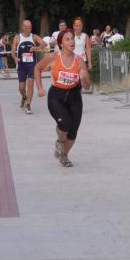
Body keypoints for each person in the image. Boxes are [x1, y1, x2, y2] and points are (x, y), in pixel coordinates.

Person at [35, 28, 90, 168]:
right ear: (60, 43)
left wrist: (84, 79)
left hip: (74, 96)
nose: (71, 41)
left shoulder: (79, 61)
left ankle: (64, 155)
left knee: (73, 131)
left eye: (72, 38)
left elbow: (87, 86)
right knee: (65, 124)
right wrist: (40, 88)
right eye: (67, 39)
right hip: (56, 96)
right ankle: (59, 142)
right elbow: (37, 68)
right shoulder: (53, 58)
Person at [11, 20, 47, 114]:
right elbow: (12, 51)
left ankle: (28, 105)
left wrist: (36, 48)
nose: (29, 29)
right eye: (27, 28)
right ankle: (24, 96)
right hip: (21, 65)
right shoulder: (17, 37)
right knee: (21, 87)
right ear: (22, 27)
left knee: (30, 83)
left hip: (31, 64)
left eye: (30, 27)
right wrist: (15, 58)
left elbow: (44, 44)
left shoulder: (34, 36)